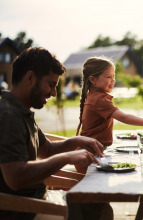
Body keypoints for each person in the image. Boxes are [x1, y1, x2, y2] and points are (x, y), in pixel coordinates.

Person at [0, 47, 107, 220]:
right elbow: (15, 177)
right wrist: (67, 158)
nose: (53, 93)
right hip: (23, 210)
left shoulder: (20, 111)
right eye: (51, 84)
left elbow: (47, 150)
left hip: (37, 200)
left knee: (99, 206)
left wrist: (77, 140)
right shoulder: (8, 115)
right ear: (30, 78)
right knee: (97, 210)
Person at [75, 57, 143, 173]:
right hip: (88, 160)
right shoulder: (99, 100)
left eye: (113, 76)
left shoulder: (95, 96)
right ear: (93, 80)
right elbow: (124, 117)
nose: (113, 80)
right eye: (108, 77)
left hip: (89, 155)